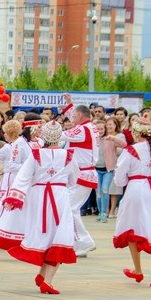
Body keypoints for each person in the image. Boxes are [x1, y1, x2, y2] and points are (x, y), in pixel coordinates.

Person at [2, 120, 80, 294]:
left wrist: (14, 197)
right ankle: (48, 281)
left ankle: (42, 274)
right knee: (61, 236)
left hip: (38, 196)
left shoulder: (36, 154)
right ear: (59, 137)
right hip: (59, 196)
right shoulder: (68, 155)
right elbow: (74, 179)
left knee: (45, 235)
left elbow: (23, 177)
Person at [113, 116, 151, 287]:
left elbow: (119, 176)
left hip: (136, 189)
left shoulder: (131, 150)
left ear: (135, 132)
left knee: (132, 228)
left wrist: (124, 183)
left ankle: (138, 270)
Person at [60, 93, 100, 257]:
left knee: (69, 208)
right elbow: (74, 122)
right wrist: (70, 104)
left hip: (82, 174)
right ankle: (79, 242)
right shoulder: (88, 127)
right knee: (70, 208)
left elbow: (61, 135)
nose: (71, 119)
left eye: (74, 116)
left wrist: (44, 130)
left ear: (80, 116)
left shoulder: (83, 129)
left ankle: (85, 241)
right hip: (82, 173)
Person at [0, 120, 33, 250]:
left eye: (6, 133)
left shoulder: (11, 146)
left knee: (2, 204)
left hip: (11, 179)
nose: (4, 135)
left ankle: (2, 234)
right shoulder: (24, 143)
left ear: (10, 133)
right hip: (21, 179)